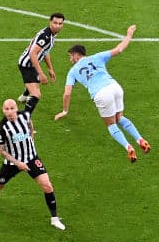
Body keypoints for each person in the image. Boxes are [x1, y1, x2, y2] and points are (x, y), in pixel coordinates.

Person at [53, 24, 151, 163]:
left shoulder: (73, 71)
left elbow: (67, 94)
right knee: (119, 117)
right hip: (115, 87)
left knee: (111, 124)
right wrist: (128, 35)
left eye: (71, 56)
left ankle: (128, 147)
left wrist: (64, 111)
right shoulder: (97, 57)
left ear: (76, 54)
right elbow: (119, 49)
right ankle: (139, 139)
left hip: (101, 94)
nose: (70, 59)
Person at [0, 98, 66, 230]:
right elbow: (1, 151)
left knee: (47, 186)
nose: (9, 112)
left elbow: (30, 122)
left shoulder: (25, 115)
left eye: (12, 108)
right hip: (12, 163)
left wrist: (31, 133)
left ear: (16, 108)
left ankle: (54, 219)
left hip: (31, 158)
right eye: (6, 109)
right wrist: (17, 163)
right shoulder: (1, 129)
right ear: (3, 110)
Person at [17, 14, 65, 113]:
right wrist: (41, 73)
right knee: (36, 95)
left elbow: (45, 52)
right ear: (50, 22)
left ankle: (24, 97)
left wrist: (50, 68)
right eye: (55, 23)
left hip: (33, 64)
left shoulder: (52, 34)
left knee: (35, 82)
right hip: (27, 65)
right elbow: (33, 54)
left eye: (60, 23)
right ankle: (24, 118)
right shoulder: (46, 36)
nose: (57, 25)